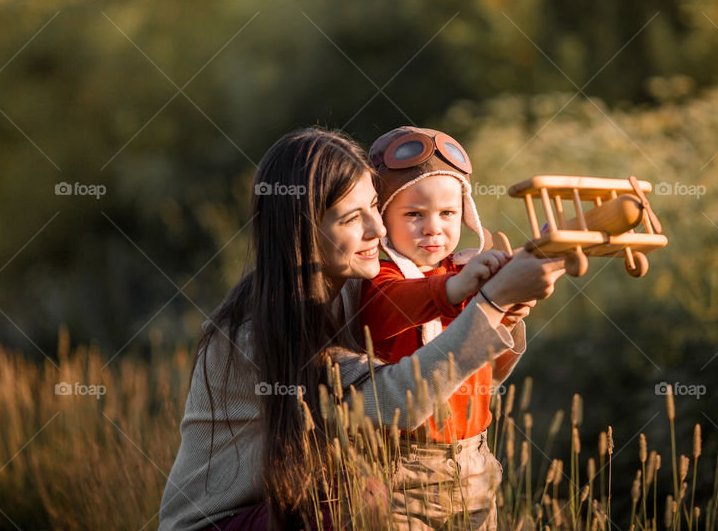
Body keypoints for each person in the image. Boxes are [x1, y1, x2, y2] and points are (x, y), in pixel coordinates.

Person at [158, 128, 566, 531]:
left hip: (293, 507)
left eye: (376, 206)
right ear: (304, 230)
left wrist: (506, 311)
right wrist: (489, 303)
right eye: (354, 218)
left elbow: (460, 373)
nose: (380, 230)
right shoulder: (254, 332)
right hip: (226, 522)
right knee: (361, 500)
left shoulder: (361, 288)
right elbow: (398, 399)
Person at [359, 126, 528, 529]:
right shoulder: (378, 278)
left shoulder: (471, 269)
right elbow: (387, 309)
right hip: (402, 470)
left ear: (465, 213)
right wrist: (453, 289)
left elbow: (491, 359)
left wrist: (509, 308)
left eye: (448, 213)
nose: (434, 227)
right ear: (382, 218)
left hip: (473, 458)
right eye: (414, 214)